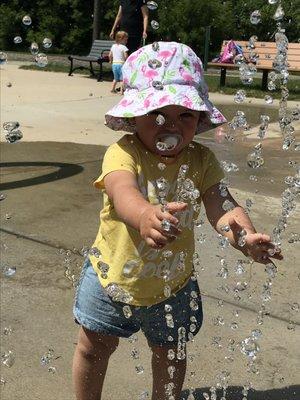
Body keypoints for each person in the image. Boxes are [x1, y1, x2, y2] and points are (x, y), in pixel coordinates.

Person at [72, 42, 283, 400]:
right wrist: (144, 214)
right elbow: (122, 191)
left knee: (171, 355)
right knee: (93, 349)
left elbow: (222, 206)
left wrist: (244, 236)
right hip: (111, 278)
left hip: (174, 284)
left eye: (184, 115)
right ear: (135, 116)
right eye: (158, 114)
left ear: (198, 120)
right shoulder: (123, 151)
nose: (171, 125)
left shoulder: (201, 160)